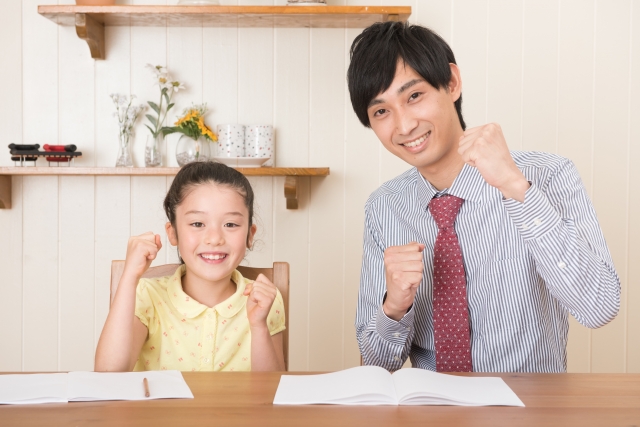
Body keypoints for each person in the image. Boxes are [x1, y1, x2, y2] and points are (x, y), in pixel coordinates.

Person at [350, 22, 620, 373]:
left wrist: (515, 187)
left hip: (529, 412)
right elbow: (375, 367)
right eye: (381, 111)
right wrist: (394, 307)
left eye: (414, 96)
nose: (403, 127)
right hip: (431, 412)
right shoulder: (384, 207)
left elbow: (599, 307)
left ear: (452, 83)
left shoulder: (546, 176)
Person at [95, 161, 286, 372]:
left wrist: (259, 326)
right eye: (197, 224)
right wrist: (130, 276)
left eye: (230, 224)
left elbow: (272, 393)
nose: (214, 239)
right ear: (173, 233)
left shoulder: (264, 301)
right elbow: (108, 375)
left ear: (250, 235)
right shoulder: (146, 295)